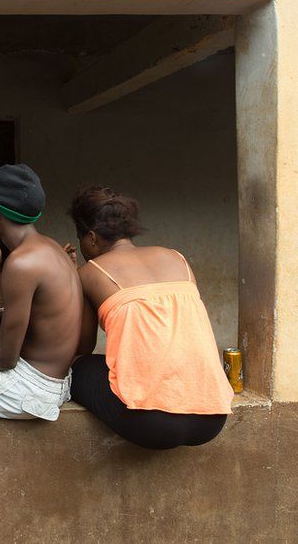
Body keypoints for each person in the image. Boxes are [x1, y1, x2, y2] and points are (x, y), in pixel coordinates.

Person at [66, 186, 233, 449]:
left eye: (81, 238)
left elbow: (83, 346)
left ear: (91, 237)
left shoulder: (89, 272)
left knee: (79, 366)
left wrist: (70, 274)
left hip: (150, 424)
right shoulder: (177, 258)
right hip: (212, 417)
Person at [0, 164, 82, 421]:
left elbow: (5, 358)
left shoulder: (22, 262)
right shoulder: (48, 248)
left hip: (31, 387)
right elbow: (26, 326)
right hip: (55, 382)